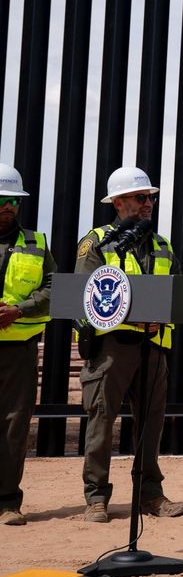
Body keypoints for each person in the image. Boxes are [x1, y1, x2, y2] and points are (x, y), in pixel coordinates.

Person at [75, 166, 183, 522]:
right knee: (101, 420)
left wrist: (161, 317)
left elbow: (179, 294)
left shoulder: (162, 246)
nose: (148, 203)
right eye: (140, 197)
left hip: (154, 345)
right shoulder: (96, 242)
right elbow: (83, 297)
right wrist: (130, 317)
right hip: (111, 348)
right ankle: (96, 498)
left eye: (150, 197)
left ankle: (150, 495)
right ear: (119, 202)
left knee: (151, 423)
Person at [0, 165, 55, 526]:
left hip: (18, 349)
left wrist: (19, 309)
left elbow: (55, 288)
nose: (8, 207)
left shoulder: (37, 244)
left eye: (13, 201)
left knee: (13, 425)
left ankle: (7, 502)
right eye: (1, 200)